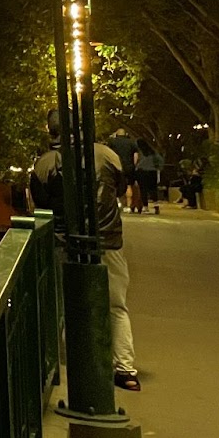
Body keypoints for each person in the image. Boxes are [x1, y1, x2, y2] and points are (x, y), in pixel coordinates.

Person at [30, 110, 139, 391]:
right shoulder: (107, 155)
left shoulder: (44, 164)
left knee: (60, 306)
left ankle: (61, 371)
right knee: (116, 306)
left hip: (64, 243)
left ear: (51, 131)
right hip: (107, 240)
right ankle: (125, 369)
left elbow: (40, 206)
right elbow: (119, 188)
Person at [107, 128, 139, 211]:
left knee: (115, 184)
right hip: (128, 166)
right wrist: (133, 165)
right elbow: (135, 155)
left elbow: (108, 152)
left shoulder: (112, 142)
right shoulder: (131, 142)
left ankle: (118, 203)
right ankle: (128, 206)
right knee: (128, 185)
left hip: (116, 165)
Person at [134, 138, 162, 215]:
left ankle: (145, 207)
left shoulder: (139, 152)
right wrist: (158, 168)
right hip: (152, 171)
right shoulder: (152, 152)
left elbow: (135, 161)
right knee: (153, 189)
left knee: (143, 190)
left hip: (142, 172)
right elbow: (160, 161)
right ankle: (156, 206)